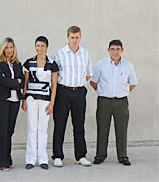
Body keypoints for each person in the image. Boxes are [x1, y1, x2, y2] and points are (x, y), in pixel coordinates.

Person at [90, 39, 138, 166]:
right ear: (108, 50)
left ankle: (122, 156)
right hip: (104, 101)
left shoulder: (128, 66)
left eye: (118, 49)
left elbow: (133, 84)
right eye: (112, 49)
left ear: (122, 50)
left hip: (121, 102)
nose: (115, 52)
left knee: (121, 129)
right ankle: (100, 155)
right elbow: (93, 81)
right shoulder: (100, 64)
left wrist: (122, 92)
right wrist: (103, 91)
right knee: (102, 128)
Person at [51, 26, 93, 167]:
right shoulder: (59, 54)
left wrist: (78, 86)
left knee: (79, 125)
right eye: (72, 37)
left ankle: (80, 156)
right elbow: (53, 76)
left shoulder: (86, 54)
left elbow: (88, 74)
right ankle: (57, 156)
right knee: (60, 124)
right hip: (63, 92)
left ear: (80, 37)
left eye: (77, 37)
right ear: (67, 37)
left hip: (79, 92)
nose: (74, 40)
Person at [22, 36, 59, 170]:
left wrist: (52, 103)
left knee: (42, 129)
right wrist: (24, 100)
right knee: (32, 128)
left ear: (47, 47)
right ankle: (30, 159)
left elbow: (54, 85)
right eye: (38, 45)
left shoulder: (52, 64)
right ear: (35, 46)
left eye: (42, 46)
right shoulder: (28, 63)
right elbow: (25, 83)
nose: (40, 48)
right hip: (31, 99)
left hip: (45, 100)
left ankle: (43, 159)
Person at [0, 37, 24, 172]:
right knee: (2, 132)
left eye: (11, 47)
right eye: (6, 47)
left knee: (9, 131)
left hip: (15, 101)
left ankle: (8, 158)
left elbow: (22, 82)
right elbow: (1, 81)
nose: (9, 50)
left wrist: (14, 81)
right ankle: (2, 162)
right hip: (1, 101)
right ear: (3, 49)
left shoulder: (17, 64)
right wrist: (14, 82)